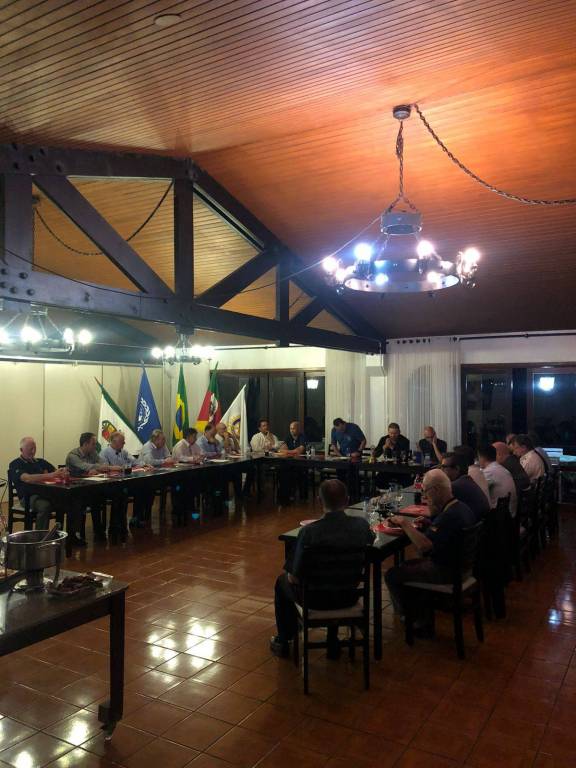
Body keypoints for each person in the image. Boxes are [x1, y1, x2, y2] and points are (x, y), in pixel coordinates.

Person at [270, 479, 374, 657]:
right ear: (347, 500)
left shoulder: (308, 532)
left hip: (315, 600)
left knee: (281, 582)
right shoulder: (362, 526)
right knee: (335, 578)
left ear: (319, 501)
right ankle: (332, 640)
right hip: (348, 596)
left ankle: (284, 639)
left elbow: (294, 578)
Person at [385, 469, 476, 635]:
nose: (425, 497)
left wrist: (404, 524)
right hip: (464, 568)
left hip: (447, 571)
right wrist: (429, 524)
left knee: (393, 574)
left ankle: (410, 618)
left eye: (425, 492)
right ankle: (421, 616)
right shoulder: (461, 507)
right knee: (408, 566)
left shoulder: (449, 516)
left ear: (436, 490)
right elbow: (443, 533)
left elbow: (424, 547)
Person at [9, 437, 67, 529]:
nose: (33, 451)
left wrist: (62, 472)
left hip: (46, 493)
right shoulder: (15, 464)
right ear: (21, 450)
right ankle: (40, 536)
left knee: (66, 501)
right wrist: (50, 475)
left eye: (34, 448)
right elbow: (27, 478)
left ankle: (60, 533)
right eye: (30, 449)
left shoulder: (41, 461)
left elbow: (56, 472)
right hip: (28, 497)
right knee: (45, 506)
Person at [100, 431, 149, 540]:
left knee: (142, 490)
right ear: (114, 442)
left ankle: (135, 519)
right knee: (120, 495)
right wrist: (117, 468)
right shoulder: (104, 453)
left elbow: (135, 461)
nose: (124, 443)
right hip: (109, 485)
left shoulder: (124, 452)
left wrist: (144, 464)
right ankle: (115, 525)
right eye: (122, 442)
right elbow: (103, 468)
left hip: (124, 482)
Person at [66, 432, 110, 544]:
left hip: (88, 488)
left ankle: (98, 530)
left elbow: (104, 463)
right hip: (74, 490)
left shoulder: (93, 453)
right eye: (93, 444)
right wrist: (95, 468)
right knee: (81, 502)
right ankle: (75, 534)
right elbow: (85, 466)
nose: (95, 446)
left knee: (98, 498)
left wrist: (96, 469)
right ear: (85, 444)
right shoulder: (73, 455)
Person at [440, 453, 490, 521]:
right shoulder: (466, 480)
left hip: (471, 525)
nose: (441, 470)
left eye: (444, 467)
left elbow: (441, 513)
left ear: (457, 468)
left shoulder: (455, 486)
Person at [477, 444, 517, 517]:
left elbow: (477, 491)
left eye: (478, 458)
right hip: (511, 513)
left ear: (482, 458)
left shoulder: (489, 472)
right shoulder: (502, 469)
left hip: (502, 518)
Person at [277, 422, 308, 503]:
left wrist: (288, 451)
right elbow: (281, 449)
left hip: (301, 463)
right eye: (290, 428)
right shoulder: (288, 437)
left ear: (298, 429)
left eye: (293, 428)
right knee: (282, 471)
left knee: (297, 473)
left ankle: (300, 496)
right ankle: (285, 496)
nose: (291, 430)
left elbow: (300, 451)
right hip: (290, 462)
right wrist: (293, 451)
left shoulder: (302, 437)